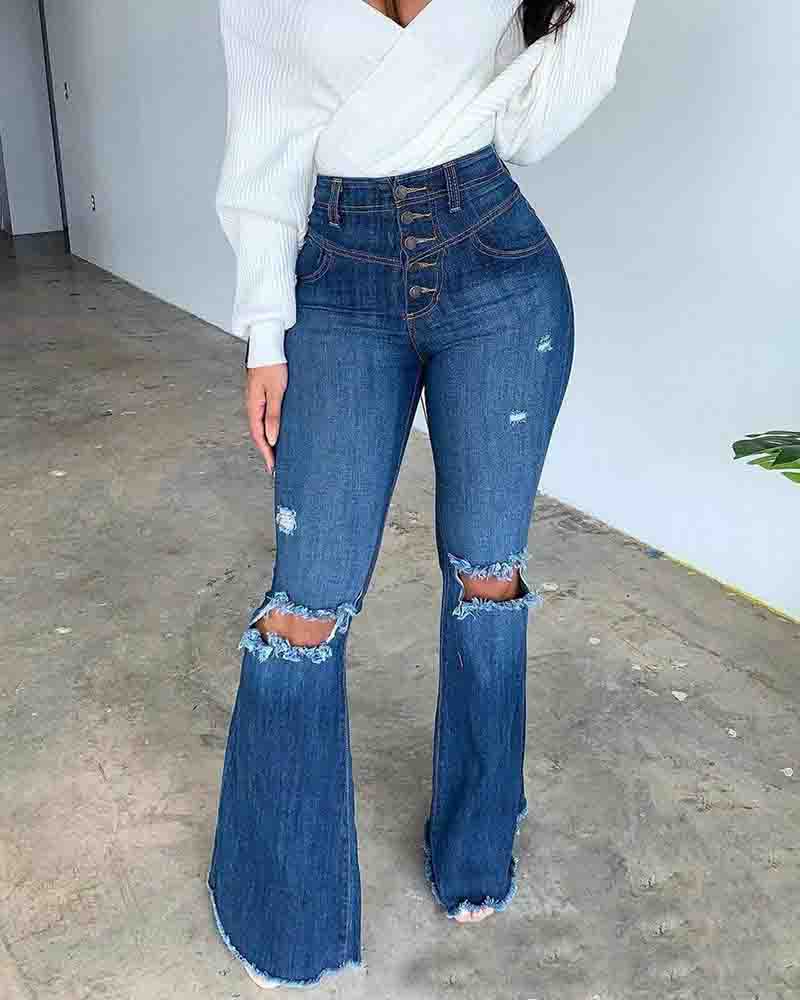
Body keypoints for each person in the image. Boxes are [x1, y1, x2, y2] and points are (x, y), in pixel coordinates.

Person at [206, 0, 637, 989]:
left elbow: (532, 123)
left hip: (496, 265)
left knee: (488, 574)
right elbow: (263, 137)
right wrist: (265, 334)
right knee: (305, 607)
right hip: (335, 278)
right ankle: (284, 909)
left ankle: (475, 848)